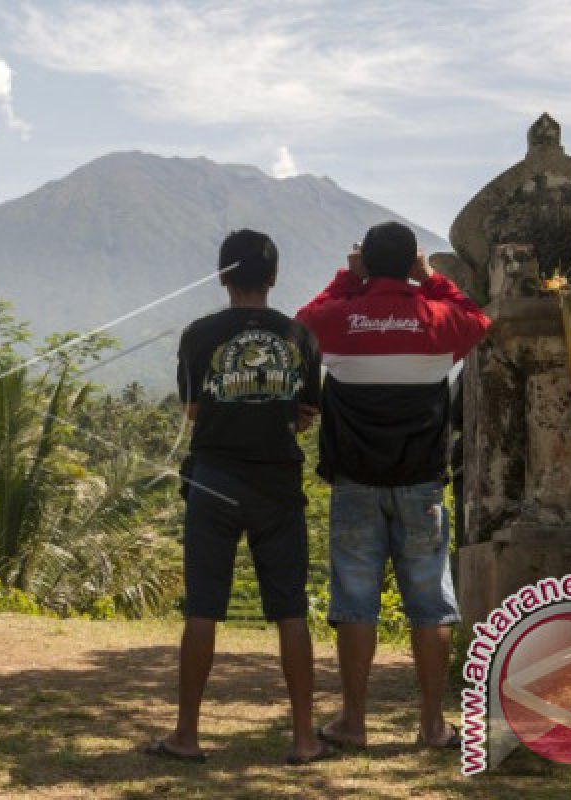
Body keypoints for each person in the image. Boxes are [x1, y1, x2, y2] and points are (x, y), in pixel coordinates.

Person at [295, 221, 490, 750]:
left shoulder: (338, 319)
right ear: (409, 264)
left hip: (355, 483)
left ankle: (353, 722)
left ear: (365, 263)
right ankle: (432, 724)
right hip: (421, 487)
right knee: (430, 604)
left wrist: (346, 279)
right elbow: (477, 316)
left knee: (355, 601)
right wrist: (428, 277)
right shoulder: (436, 319)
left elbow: (303, 323)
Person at [147, 229, 329, 765]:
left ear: (223, 277)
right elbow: (305, 416)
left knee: (203, 608)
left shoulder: (199, 334)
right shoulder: (301, 335)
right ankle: (303, 739)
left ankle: (186, 734)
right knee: (291, 611)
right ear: (273, 278)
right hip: (277, 484)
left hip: (214, 480)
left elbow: (194, 411)